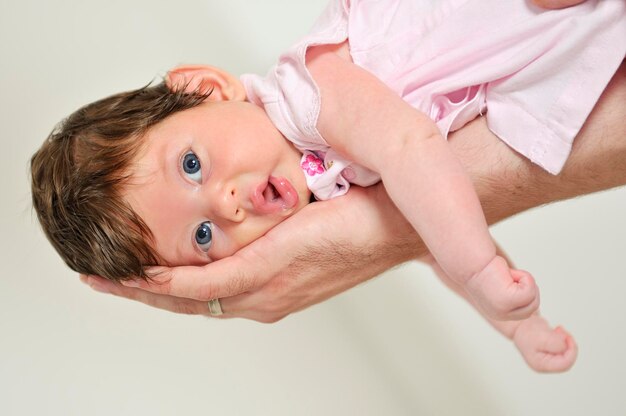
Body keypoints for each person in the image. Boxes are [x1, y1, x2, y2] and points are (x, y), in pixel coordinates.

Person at [31, 0, 624, 372]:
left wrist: (479, 271)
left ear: (208, 89)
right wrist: (516, 324)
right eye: (204, 233)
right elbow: (429, 230)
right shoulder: (321, 176)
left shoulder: (312, 95)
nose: (226, 203)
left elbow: (411, 149)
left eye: (192, 165)